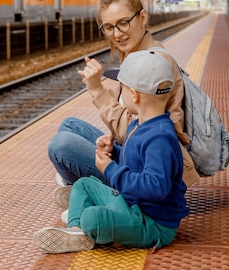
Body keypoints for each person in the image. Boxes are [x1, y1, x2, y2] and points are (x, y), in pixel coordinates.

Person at [46, 0, 199, 211]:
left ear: (143, 17)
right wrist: (109, 141)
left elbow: (146, 131)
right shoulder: (136, 54)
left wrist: (97, 90)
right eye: (108, 27)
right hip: (135, 152)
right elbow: (133, 123)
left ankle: (94, 193)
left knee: (61, 144)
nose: (117, 34)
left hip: (144, 175)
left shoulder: (154, 61)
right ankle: (82, 188)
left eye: (123, 23)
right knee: (70, 125)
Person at [33, 50, 189, 253]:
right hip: (132, 203)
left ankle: (83, 220)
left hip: (151, 223)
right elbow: (135, 160)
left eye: (121, 88)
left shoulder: (160, 138)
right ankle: (76, 228)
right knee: (83, 184)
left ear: (134, 94)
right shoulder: (141, 124)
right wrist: (113, 152)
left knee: (93, 218)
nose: (119, 92)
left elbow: (155, 187)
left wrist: (111, 170)